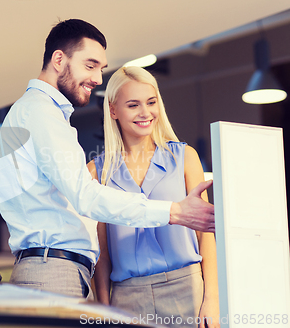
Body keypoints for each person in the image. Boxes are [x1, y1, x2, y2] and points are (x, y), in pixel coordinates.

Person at [0, 19, 214, 299]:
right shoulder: (40, 113)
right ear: (59, 59)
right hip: (53, 274)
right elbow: (86, 197)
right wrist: (173, 211)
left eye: (101, 69)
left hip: (57, 270)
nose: (98, 79)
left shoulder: (39, 113)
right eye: (90, 65)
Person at [88, 66, 219, 327]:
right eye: (133, 105)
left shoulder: (184, 157)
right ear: (113, 110)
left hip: (187, 289)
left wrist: (212, 298)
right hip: (127, 298)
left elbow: (206, 235)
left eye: (151, 102)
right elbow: (101, 253)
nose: (145, 112)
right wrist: (103, 309)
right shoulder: (96, 172)